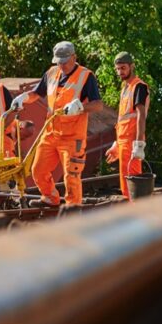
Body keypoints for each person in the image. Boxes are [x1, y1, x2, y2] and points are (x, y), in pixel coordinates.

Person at [12, 41, 103, 207]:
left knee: (71, 175)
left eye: (65, 62)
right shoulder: (51, 73)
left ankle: (73, 208)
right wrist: (23, 98)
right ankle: (50, 197)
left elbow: (98, 105)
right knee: (38, 170)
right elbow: (36, 94)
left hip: (72, 137)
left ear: (74, 57)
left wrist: (80, 107)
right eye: (59, 62)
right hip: (51, 133)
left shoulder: (85, 76)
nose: (61, 66)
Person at [105, 52, 149, 201]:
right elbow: (123, 119)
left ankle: (137, 215)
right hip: (124, 142)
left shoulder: (139, 86)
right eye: (117, 69)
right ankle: (131, 213)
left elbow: (141, 115)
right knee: (125, 183)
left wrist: (139, 144)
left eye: (123, 68)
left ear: (132, 66)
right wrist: (117, 143)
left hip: (132, 142)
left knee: (133, 181)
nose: (120, 72)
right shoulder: (125, 88)